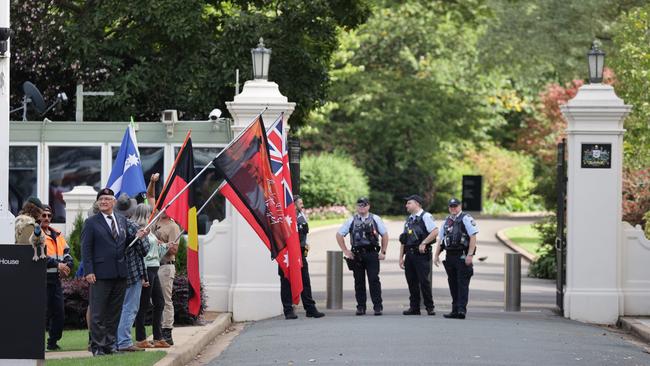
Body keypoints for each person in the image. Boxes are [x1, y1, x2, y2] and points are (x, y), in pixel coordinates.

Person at [82, 188, 147, 356]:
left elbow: (124, 245)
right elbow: (86, 249)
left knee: (114, 313)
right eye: (101, 199)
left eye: (107, 199)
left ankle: (110, 346)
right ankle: (98, 347)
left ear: (113, 202)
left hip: (120, 274)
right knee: (98, 313)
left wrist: (137, 237)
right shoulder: (91, 223)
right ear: (98, 202)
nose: (103, 201)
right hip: (100, 274)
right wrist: (89, 271)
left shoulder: (121, 220)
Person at [335, 197, 389, 316]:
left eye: (364, 205)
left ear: (368, 206)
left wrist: (383, 252)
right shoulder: (351, 220)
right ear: (356, 207)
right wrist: (345, 251)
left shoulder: (375, 219)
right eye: (359, 205)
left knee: (374, 280)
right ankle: (361, 307)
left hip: (372, 254)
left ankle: (377, 307)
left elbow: (384, 235)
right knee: (359, 282)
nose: (362, 207)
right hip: (356, 255)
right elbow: (339, 235)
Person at [147, 173, 180, 345]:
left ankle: (167, 333)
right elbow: (150, 196)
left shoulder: (173, 226)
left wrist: (161, 243)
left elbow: (174, 249)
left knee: (166, 300)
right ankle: (158, 333)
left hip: (165, 266)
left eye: (167, 205)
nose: (163, 208)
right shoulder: (155, 218)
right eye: (163, 205)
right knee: (155, 301)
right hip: (152, 265)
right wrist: (152, 182)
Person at [280, 196, 325, 320]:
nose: (302, 205)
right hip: (288, 253)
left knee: (305, 280)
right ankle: (288, 310)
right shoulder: (285, 217)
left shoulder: (301, 215)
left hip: (300, 253)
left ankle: (310, 308)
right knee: (286, 281)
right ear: (293, 204)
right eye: (300, 203)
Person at [434, 198, 479, 319]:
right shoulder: (447, 221)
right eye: (451, 206)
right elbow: (441, 240)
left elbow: (473, 237)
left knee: (462, 283)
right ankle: (454, 310)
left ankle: (461, 310)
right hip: (450, 256)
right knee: (452, 283)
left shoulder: (466, 218)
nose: (453, 208)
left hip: (462, 254)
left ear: (460, 206)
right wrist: (436, 255)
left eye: (455, 206)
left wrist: (470, 255)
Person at [134, 204, 171, 349]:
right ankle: (141, 338)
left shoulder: (150, 232)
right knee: (143, 305)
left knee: (159, 302)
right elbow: (140, 254)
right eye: (151, 213)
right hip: (146, 269)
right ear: (145, 214)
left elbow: (156, 253)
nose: (154, 215)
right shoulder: (140, 230)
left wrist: (166, 246)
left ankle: (157, 337)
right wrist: (142, 274)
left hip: (155, 267)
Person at [116, 202, 150, 352]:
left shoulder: (114, 225)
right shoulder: (132, 226)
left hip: (116, 272)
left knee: (118, 308)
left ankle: (117, 340)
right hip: (132, 272)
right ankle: (124, 341)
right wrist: (143, 238)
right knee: (130, 308)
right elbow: (145, 250)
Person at [398, 195, 438, 316]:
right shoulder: (409, 219)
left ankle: (430, 307)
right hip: (409, 254)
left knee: (424, 281)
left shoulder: (426, 216)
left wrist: (424, 242)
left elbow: (435, 231)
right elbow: (404, 240)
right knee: (411, 281)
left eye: (409, 203)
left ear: (417, 204)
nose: (406, 205)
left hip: (421, 255)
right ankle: (414, 307)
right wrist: (401, 257)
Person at [42, 204, 73, 350]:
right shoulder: (36, 234)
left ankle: (53, 342)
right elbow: (40, 256)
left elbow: (67, 252)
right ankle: (35, 343)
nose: (46, 218)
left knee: (59, 313)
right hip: (41, 280)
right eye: (43, 215)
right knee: (42, 313)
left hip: (56, 280)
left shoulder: (57, 234)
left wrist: (68, 264)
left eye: (49, 215)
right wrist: (57, 265)